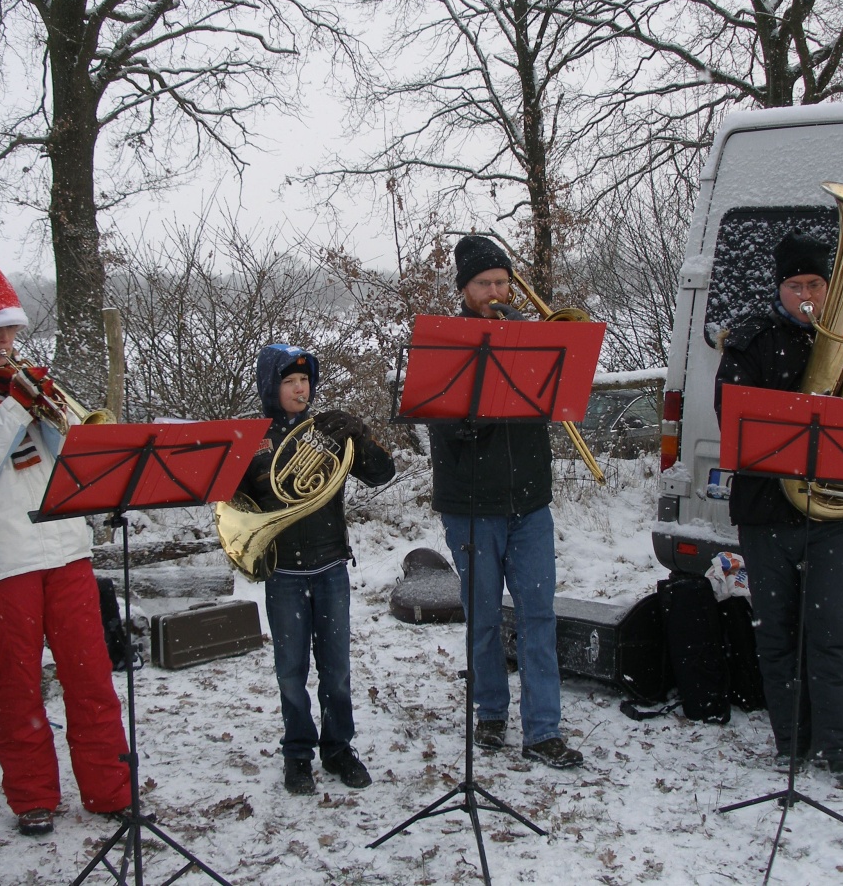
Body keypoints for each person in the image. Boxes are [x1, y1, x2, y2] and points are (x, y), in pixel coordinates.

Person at [0, 258, 131, 834]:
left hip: (65, 547)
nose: (5, 341)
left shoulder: (25, 379)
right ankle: (33, 798)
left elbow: (78, 451)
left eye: (12, 330)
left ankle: (109, 791)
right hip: (0, 561)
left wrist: (52, 410)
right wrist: (17, 405)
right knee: (16, 688)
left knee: (91, 678)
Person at [714, 231, 843, 790]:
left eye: (815, 284)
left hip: (834, 509)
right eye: (796, 284)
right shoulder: (751, 339)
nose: (806, 294)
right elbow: (731, 411)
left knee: (835, 627)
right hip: (766, 507)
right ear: (780, 288)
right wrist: (801, 409)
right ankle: (791, 744)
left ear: (829, 287)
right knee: (775, 630)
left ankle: (842, 751)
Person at [427, 234, 583, 769]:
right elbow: (442, 423)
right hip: (471, 505)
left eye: (501, 281)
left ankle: (544, 730)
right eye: (483, 283)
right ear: (464, 288)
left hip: (530, 503)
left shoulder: (531, 337)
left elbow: (557, 400)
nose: (495, 291)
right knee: (484, 617)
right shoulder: (446, 344)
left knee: (539, 614)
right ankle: (490, 712)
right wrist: (481, 405)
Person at [236, 344, 396, 795]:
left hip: (329, 566)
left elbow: (381, 473)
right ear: (271, 387)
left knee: (337, 668)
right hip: (283, 571)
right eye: (288, 381)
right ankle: (297, 754)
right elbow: (231, 498)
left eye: (304, 380)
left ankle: (339, 748)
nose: (299, 388)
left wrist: (359, 434)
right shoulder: (253, 436)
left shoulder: (326, 430)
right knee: (290, 670)